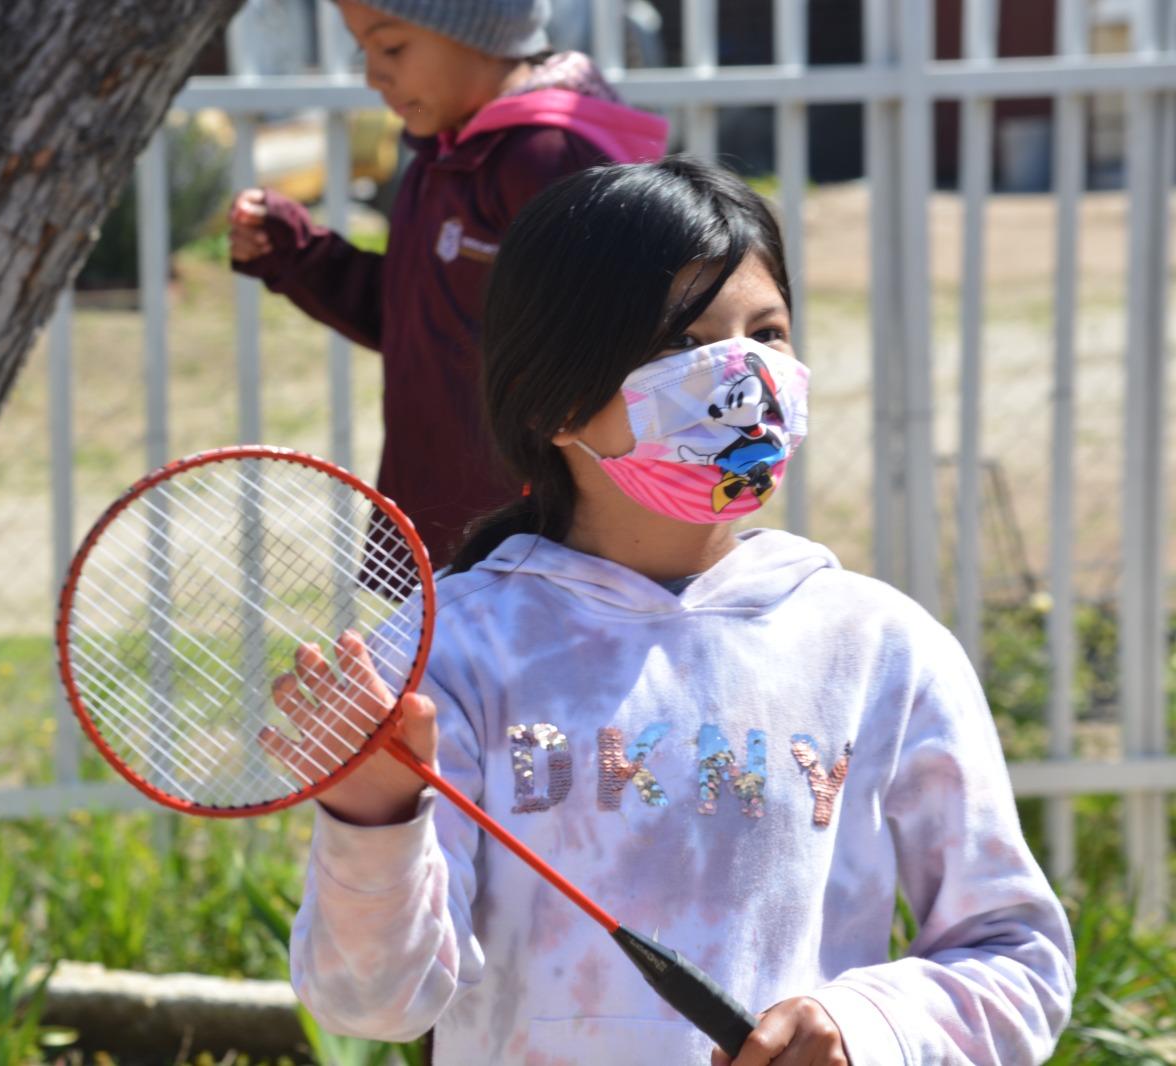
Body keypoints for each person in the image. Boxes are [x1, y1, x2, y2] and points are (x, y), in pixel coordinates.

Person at [268, 160, 1075, 1066]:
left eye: (767, 333)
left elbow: (1017, 958)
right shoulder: (451, 654)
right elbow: (368, 1002)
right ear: (555, 400)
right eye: (678, 345)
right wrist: (372, 819)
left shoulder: (881, 648)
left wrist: (865, 1029)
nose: (744, 376)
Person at [230, 0, 668, 572]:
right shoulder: (444, 159)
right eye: (363, 49)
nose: (371, 74)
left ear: (485, 33)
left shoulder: (548, 162)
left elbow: (613, 353)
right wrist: (298, 253)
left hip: (534, 547)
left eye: (391, 47)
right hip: (445, 523)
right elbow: (409, 315)